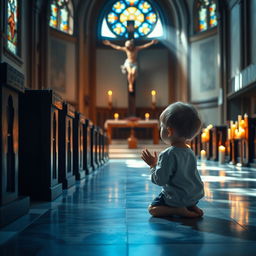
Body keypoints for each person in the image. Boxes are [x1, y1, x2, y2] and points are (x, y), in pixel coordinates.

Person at [141, 102, 205, 218]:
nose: (160, 129)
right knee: (184, 194)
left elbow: (160, 180)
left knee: (152, 209)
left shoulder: (167, 154)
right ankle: (191, 206)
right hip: (194, 195)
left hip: (176, 198)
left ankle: (178, 210)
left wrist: (152, 165)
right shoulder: (190, 152)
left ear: (169, 131)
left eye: (161, 126)